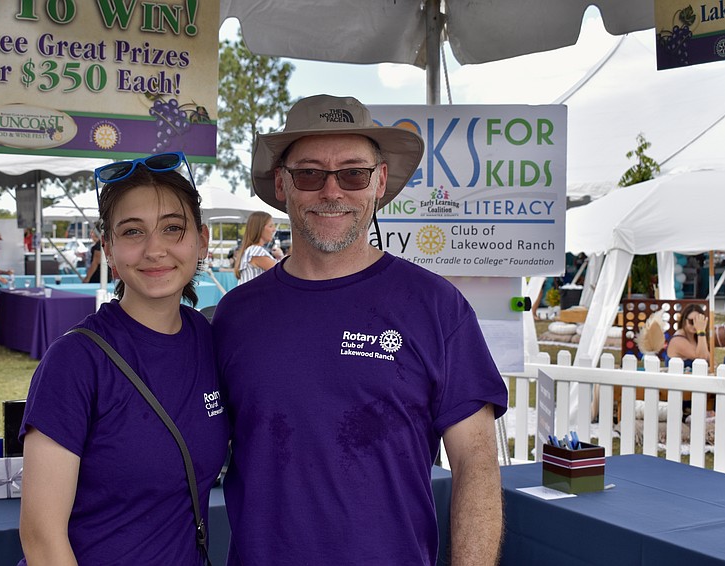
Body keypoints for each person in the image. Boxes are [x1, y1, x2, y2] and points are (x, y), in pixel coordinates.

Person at [212, 95, 509, 565]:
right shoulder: (234, 316)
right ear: (283, 184)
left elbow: (475, 463)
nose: (332, 192)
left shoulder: (435, 306)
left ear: (380, 182)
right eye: (310, 173)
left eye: (353, 173)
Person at [19, 152, 230, 565]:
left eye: (173, 228)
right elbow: (42, 539)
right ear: (109, 249)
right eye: (133, 232)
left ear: (201, 240)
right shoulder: (75, 361)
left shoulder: (210, 340)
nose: (155, 250)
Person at [233, 211, 278, 284]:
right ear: (260, 228)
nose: (274, 229)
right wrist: (281, 255)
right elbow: (282, 274)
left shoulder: (250, 250)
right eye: (270, 226)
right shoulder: (256, 251)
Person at [666, 304, 709, 368]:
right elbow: (701, 358)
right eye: (692, 321)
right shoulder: (677, 340)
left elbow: (710, 359)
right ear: (684, 320)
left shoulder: (695, 337)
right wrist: (701, 331)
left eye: (698, 322)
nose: (695, 325)